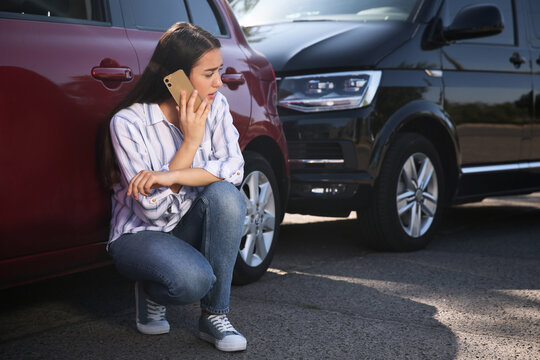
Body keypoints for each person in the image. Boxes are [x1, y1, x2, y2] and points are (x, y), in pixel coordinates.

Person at [100, 22, 247, 352]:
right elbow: (151, 211)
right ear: (175, 77)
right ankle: (151, 288)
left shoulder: (216, 106)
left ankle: (214, 316)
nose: (219, 82)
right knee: (194, 280)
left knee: (227, 196)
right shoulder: (128, 123)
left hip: (185, 226)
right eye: (209, 73)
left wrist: (168, 176)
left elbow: (234, 170)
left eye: (219, 71)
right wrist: (191, 142)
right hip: (141, 235)